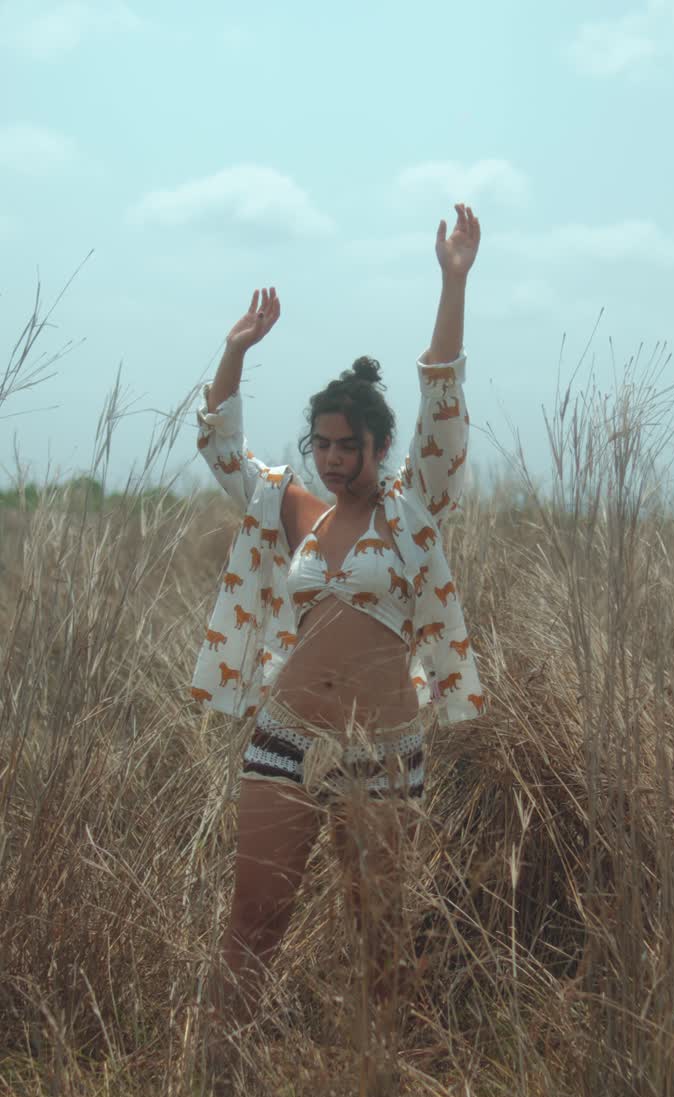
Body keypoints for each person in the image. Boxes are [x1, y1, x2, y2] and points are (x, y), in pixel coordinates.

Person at [192, 203, 486, 1025]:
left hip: (383, 751)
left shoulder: (413, 508)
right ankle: (220, 1072)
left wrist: (453, 281)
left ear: (379, 448)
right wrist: (234, 350)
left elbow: (443, 399)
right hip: (285, 736)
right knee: (254, 923)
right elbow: (220, 446)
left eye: (346, 445)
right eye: (320, 443)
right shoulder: (293, 510)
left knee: (380, 939)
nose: (329, 458)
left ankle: (376, 1082)